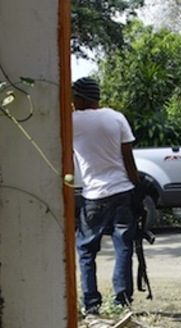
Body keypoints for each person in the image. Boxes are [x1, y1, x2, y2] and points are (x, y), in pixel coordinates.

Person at [73, 77, 140, 315]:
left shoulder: (72, 122)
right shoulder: (116, 117)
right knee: (123, 247)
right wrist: (136, 188)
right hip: (122, 190)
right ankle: (122, 302)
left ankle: (91, 303)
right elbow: (128, 158)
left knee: (86, 250)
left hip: (94, 195)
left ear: (79, 98)